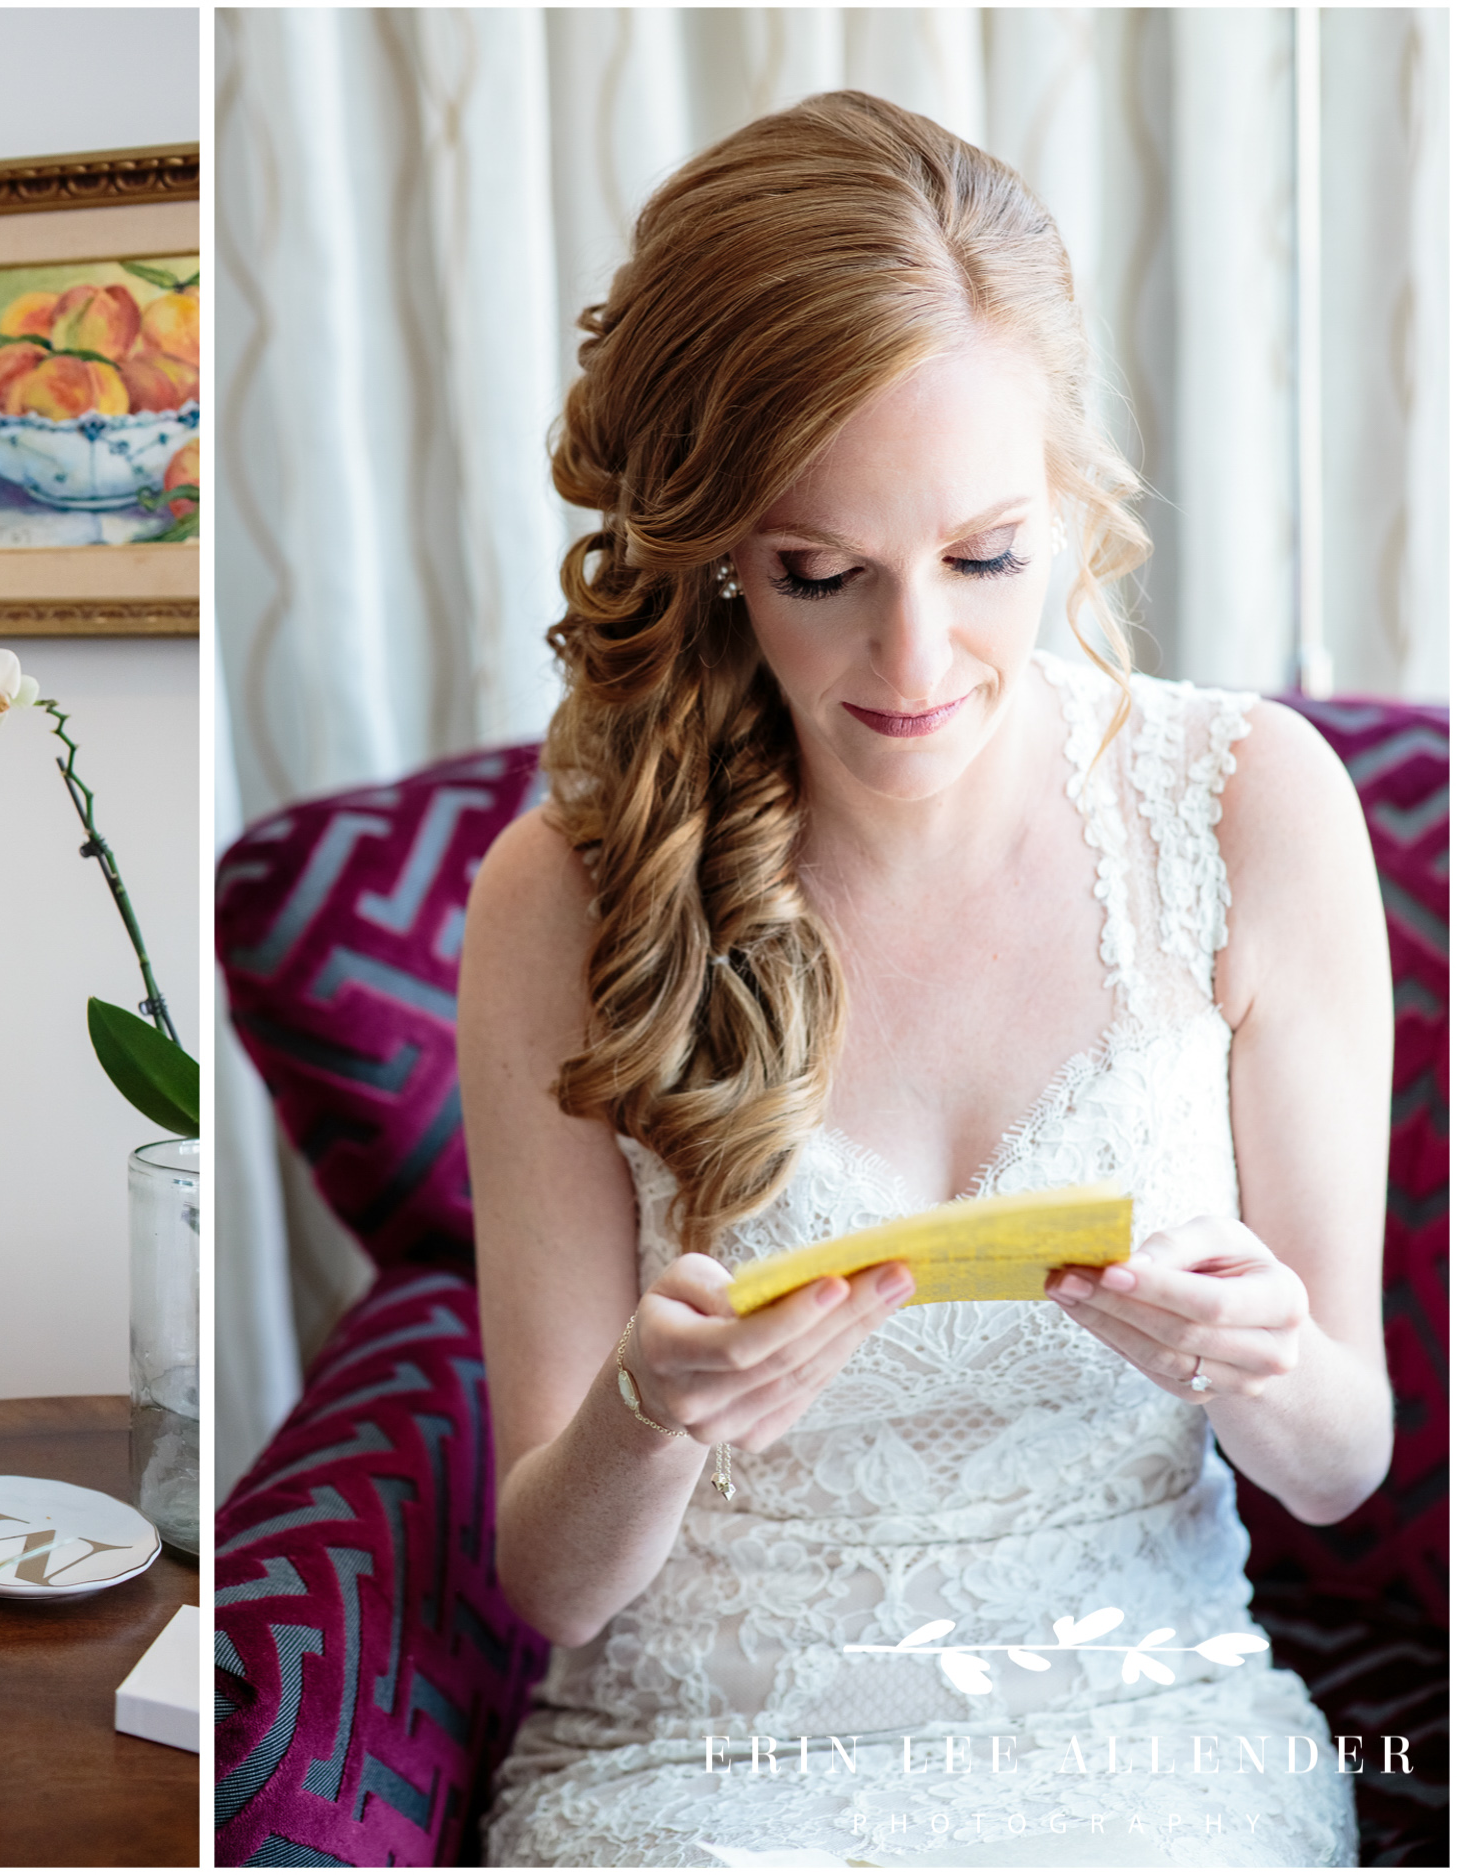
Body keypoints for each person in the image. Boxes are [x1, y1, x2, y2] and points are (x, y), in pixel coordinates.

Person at [460, 94, 1391, 1868]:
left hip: (1148, 1726)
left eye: (984, 559)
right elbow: (552, 1584)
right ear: (718, 548)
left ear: (1065, 504)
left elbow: (1342, 1463)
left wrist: (1260, 1359)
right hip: (698, 1772)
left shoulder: (1252, 810)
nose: (913, 660)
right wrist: (652, 1418)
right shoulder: (560, 895)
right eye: (822, 573)